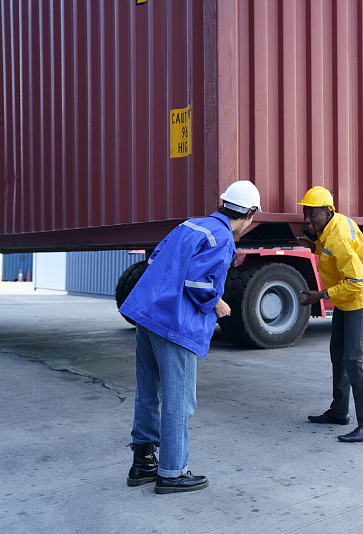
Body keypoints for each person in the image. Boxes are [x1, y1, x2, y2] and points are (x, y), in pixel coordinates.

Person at [120, 180, 261, 494]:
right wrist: (217, 303)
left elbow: (154, 261)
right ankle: (172, 472)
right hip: (175, 326)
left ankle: (143, 464)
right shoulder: (222, 237)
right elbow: (198, 284)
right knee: (179, 400)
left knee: (148, 392)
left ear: (223, 203)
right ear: (250, 214)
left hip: (149, 316)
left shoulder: (190, 225)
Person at [297, 186, 363, 442]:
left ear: (328, 211)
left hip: (360, 299)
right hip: (345, 299)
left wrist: (321, 295)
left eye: (313, 214)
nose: (307, 220)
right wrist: (314, 247)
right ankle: (339, 412)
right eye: (305, 213)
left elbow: (356, 281)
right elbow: (331, 254)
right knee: (339, 355)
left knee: (355, 360)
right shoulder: (330, 227)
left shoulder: (340, 237)